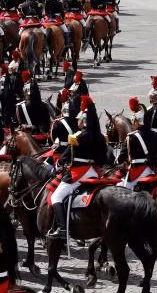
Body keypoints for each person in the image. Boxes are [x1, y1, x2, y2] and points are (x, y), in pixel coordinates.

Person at [48, 95, 107, 239]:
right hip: (94, 172)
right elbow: (103, 159)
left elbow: (65, 157)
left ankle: (62, 229)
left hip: (78, 173)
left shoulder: (77, 136)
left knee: (56, 196)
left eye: (79, 120)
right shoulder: (100, 136)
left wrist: (59, 164)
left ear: (83, 121)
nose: (77, 122)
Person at [117, 97, 157, 189]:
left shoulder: (131, 137)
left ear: (137, 122)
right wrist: (153, 160)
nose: (133, 124)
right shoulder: (155, 135)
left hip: (137, 172)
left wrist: (117, 161)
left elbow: (121, 159)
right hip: (153, 170)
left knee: (119, 187)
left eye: (133, 122)